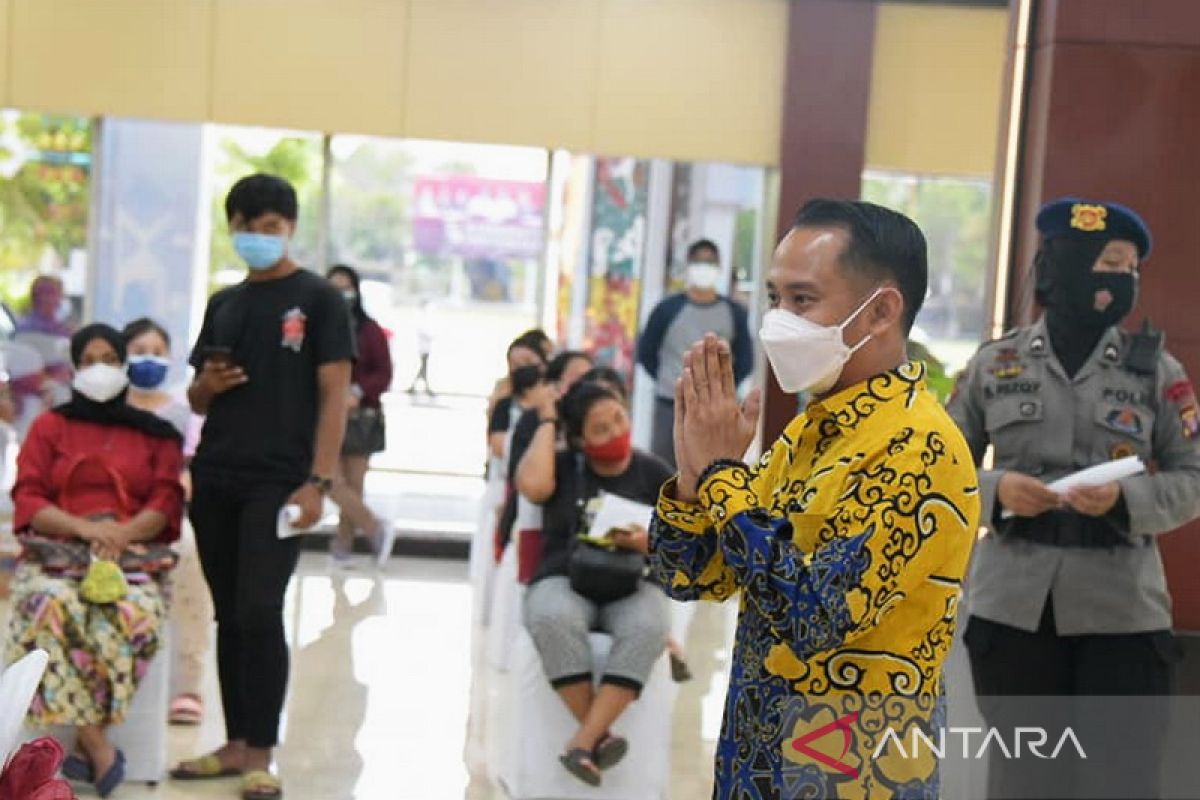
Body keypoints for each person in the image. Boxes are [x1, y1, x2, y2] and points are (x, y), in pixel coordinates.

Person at [647, 199, 980, 798]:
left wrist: (725, 475)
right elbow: (691, 576)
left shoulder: (919, 448)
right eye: (775, 298)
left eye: (802, 300)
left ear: (881, 310)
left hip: (848, 775)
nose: (778, 321)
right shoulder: (808, 432)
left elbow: (814, 619)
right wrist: (694, 482)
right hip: (756, 760)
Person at [947, 198, 1200, 800]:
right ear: (1066, 263)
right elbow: (939, 471)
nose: (1123, 279)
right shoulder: (996, 364)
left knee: (1122, 780)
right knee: (1024, 781)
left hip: (1124, 613)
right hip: (1013, 611)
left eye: (1132, 268)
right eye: (1110, 262)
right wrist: (997, 491)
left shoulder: (1155, 372)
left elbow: (1194, 473)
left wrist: (1125, 500)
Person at [172, 174, 354, 800]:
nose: (257, 237)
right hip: (216, 474)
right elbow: (196, 395)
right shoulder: (224, 302)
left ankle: (261, 752)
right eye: (247, 227)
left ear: (291, 228)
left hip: (280, 481)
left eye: (270, 227)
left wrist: (319, 482)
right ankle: (233, 743)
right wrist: (209, 387)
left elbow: (335, 396)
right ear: (233, 229)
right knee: (230, 616)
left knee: (259, 608)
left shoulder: (320, 301)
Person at [4, 324, 184, 799]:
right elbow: (27, 495)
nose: (99, 368)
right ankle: (98, 744)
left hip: (129, 558)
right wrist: (85, 528)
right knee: (48, 605)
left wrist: (122, 533)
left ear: (124, 365)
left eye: (109, 357)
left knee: (131, 614)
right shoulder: (51, 426)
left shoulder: (156, 435)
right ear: (75, 367)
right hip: (58, 554)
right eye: (89, 359)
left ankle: (87, 745)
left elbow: (166, 500)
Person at [517, 380, 672, 787]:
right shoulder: (564, 466)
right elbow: (532, 487)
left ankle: (582, 742)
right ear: (581, 439)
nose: (616, 433)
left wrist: (647, 543)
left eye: (619, 420)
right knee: (550, 616)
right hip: (565, 578)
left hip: (636, 582)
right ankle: (597, 737)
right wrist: (549, 421)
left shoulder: (653, 472)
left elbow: (687, 543)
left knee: (648, 627)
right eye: (601, 430)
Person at [121, 317, 215, 727]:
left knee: (192, 564)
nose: (148, 359)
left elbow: (191, 474)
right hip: (111, 517)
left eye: (157, 352)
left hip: (168, 515)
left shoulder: (184, 415)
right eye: (139, 351)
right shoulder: (108, 410)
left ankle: (187, 688)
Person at [636, 239, 754, 468]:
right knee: (665, 471)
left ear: (719, 266)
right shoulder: (667, 309)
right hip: (669, 405)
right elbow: (646, 352)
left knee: (713, 470)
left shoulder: (734, 313)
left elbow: (745, 360)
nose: (704, 267)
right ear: (688, 266)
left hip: (715, 409)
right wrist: (673, 382)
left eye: (709, 262)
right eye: (699, 261)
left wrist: (720, 388)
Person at [325, 265, 397, 568]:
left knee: (353, 484)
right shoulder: (319, 328)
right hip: (325, 416)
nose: (341, 295)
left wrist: (357, 392)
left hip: (360, 420)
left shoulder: (370, 331)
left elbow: (384, 373)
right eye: (334, 288)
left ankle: (342, 547)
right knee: (328, 479)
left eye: (346, 288)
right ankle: (374, 527)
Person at [406, 299, 436, 397]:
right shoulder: (422, 317)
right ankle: (423, 387)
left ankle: (416, 386)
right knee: (423, 367)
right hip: (423, 347)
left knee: (423, 367)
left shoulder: (425, 317)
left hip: (425, 347)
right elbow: (424, 331)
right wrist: (430, 336)